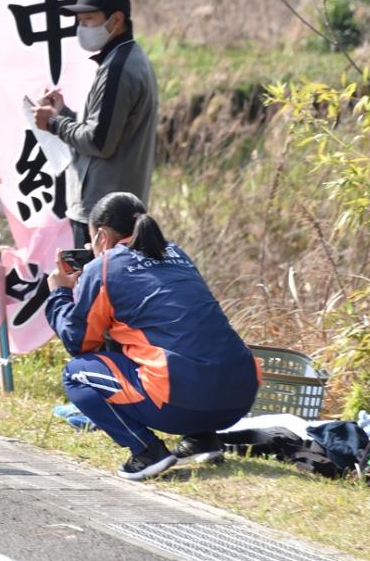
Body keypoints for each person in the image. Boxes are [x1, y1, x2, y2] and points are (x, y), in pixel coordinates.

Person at [44, 192, 260, 481]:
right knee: (177, 343)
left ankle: (146, 450)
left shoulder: (105, 266)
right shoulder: (177, 253)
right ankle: (201, 438)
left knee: (75, 374)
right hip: (240, 396)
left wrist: (60, 293)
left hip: (178, 402)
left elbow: (79, 342)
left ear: (102, 236)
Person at [31, 0, 158, 249]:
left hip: (104, 213)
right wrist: (63, 113)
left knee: (97, 288)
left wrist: (54, 122)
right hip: (111, 208)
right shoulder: (125, 59)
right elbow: (106, 127)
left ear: (116, 20)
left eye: (89, 19)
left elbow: (100, 140)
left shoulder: (118, 68)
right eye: (80, 21)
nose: (82, 28)